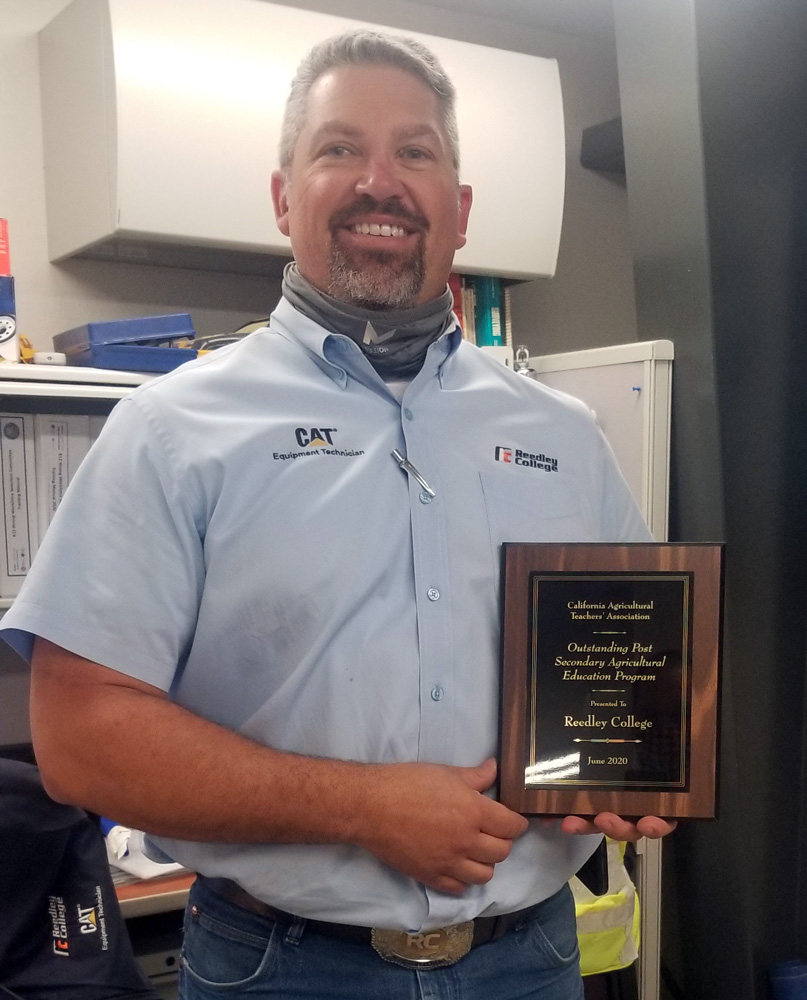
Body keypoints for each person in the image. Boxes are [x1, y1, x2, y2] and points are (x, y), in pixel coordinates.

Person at [0, 29, 674, 1000]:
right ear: (283, 195)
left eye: (415, 152)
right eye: (338, 148)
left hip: (530, 959)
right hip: (284, 964)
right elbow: (77, 739)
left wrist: (630, 773)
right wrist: (363, 807)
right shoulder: (174, 427)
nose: (379, 180)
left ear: (460, 207)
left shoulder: (565, 435)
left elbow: (633, 672)